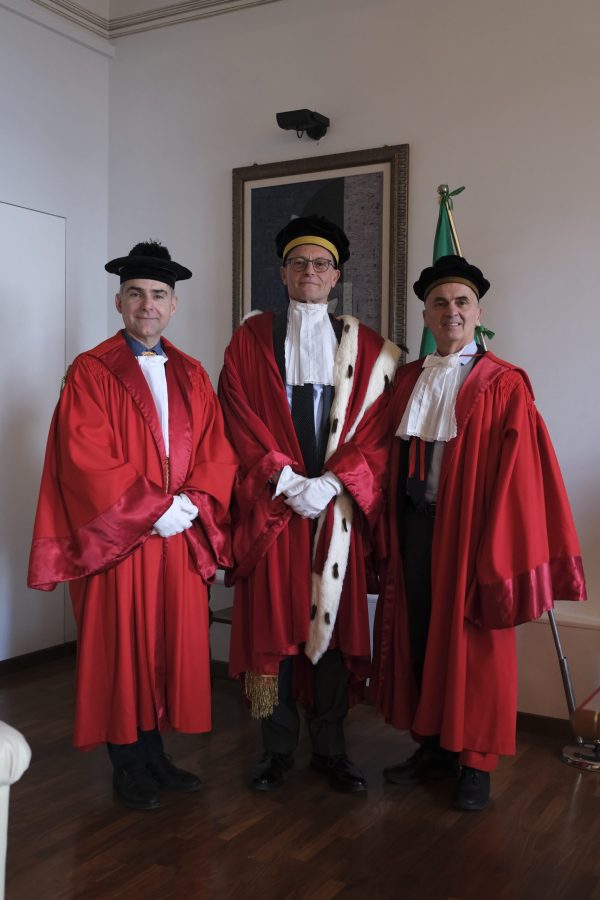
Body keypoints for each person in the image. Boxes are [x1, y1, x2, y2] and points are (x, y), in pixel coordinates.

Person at [371, 254, 586, 811]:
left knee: (474, 644)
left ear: (478, 312)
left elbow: (521, 476)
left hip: (469, 534)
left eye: (461, 302)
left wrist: (495, 544)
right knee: (421, 636)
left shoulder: (503, 383)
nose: (451, 312)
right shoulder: (410, 379)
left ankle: (475, 763)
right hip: (416, 528)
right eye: (440, 303)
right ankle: (434, 745)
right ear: (425, 313)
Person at [28, 241, 238, 811]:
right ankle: (127, 761)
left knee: (167, 646)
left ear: (174, 307)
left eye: (159, 296)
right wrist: (154, 509)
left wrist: (192, 504)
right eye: (137, 294)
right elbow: (82, 456)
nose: (148, 305)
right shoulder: (92, 372)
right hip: (120, 542)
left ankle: (155, 755)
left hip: (178, 537)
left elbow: (219, 450)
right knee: (122, 647)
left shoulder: (193, 374)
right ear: (118, 302)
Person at [218, 215, 400, 793]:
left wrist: (333, 483)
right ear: (282, 274)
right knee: (274, 624)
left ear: (336, 275)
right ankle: (274, 750)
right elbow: (238, 416)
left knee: (331, 626)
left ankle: (330, 748)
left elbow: (377, 429)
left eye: (320, 265)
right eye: (299, 264)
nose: (310, 273)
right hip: (276, 508)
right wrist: (286, 480)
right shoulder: (250, 340)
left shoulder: (370, 348)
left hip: (336, 511)